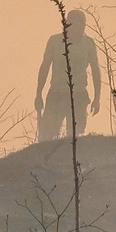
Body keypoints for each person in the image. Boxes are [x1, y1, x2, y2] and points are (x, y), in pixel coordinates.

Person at [34, 9, 102, 141]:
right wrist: (38, 94)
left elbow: (95, 70)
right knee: (46, 137)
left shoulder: (89, 44)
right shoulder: (54, 41)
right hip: (56, 95)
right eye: (73, 24)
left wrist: (97, 97)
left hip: (79, 95)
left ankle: (71, 161)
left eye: (81, 25)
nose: (77, 28)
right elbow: (45, 67)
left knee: (75, 138)